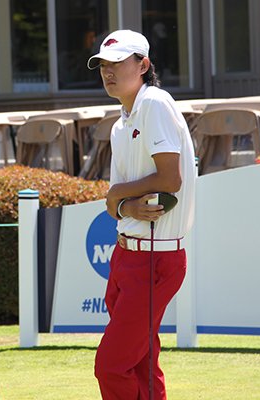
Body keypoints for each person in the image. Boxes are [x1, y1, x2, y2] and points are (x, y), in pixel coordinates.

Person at [87, 29, 196, 399]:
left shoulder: (154, 102)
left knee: (111, 365)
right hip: (128, 254)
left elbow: (171, 177)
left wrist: (118, 196)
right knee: (141, 365)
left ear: (144, 64)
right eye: (103, 64)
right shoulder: (121, 121)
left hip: (155, 257)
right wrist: (123, 204)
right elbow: (113, 206)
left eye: (118, 63)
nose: (108, 72)